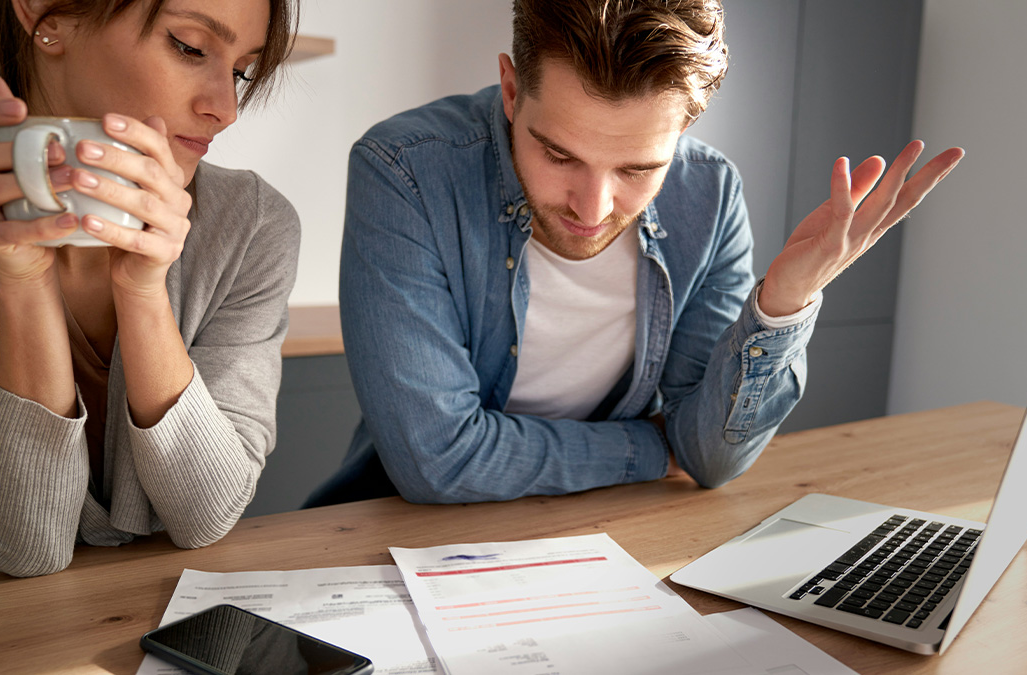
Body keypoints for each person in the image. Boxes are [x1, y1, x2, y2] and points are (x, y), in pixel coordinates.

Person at [307, 0, 963, 507]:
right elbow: (435, 460)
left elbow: (710, 459)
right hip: (400, 541)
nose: (591, 210)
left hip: (606, 532)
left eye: (638, 168)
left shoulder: (709, 194)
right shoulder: (405, 170)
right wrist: (649, 447)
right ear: (511, 91)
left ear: (683, 132)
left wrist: (783, 304)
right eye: (559, 154)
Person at [0, 0, 301, 577]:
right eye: (190, 46)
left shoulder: (250, 225)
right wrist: (23, 283)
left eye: (240, 71)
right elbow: (23, 546)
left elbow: (206, 515)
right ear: (46, 15)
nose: (225, 109)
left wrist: (145, 292)